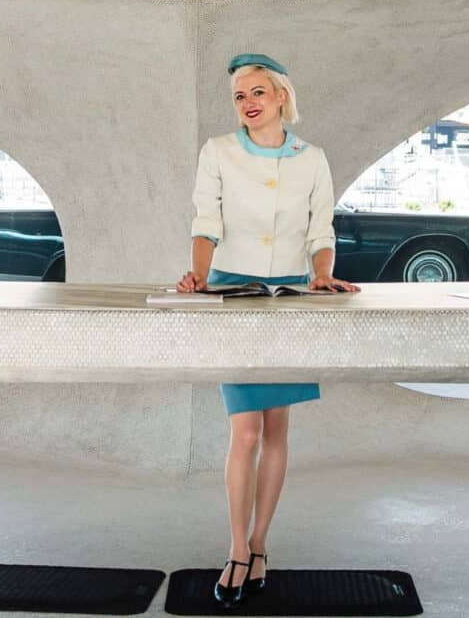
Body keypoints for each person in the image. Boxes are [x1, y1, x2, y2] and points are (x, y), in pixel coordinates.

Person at [177, 53, 360, 607]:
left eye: (258, 92)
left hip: (292, 293)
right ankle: (236, 549)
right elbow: (206, 219)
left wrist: (323, 275)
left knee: (277, 430)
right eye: (239, 96)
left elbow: (320, 226)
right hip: (234, 290)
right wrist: (200, 276)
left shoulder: (313, 159)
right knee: (246, 431)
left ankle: (260, 545)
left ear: (281, 96)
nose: (248, 104)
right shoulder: (219, 152)